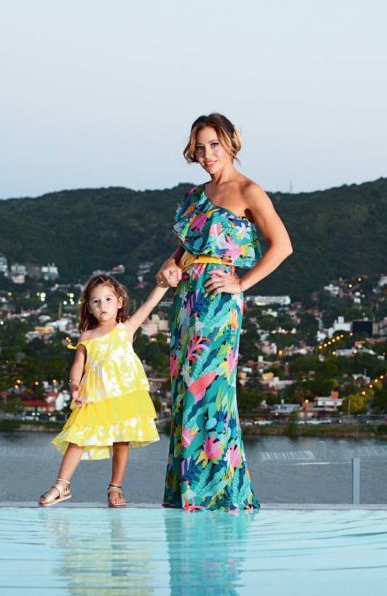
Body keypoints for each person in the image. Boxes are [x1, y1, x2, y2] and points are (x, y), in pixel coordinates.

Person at [158, 113, 293, 511]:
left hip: (219, 304)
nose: (206, 154)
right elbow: (185, 253)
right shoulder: (195, 196)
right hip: (186, 302)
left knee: (211, 392)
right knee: (186, 391)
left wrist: (241, 283)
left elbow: (282, 247)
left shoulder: (250, 191)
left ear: (231, 142)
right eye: (199, 147)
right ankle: (187, 492)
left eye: (213, 145)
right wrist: (170, 266)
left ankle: (219, 494)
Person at [39, 274, 167, 507]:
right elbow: (78, 366)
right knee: (76, 438)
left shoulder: (126, 328)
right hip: (95, 397)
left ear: (119, 302)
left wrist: (162, 284)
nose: (103, 305)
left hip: (125, 394)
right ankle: (61, 485)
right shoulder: (86, 337)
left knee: (121, 441)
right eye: (96, 301)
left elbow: (149, 304)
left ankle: (115, 488)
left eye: (108, 299)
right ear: (89, 307)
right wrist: (74, 385)